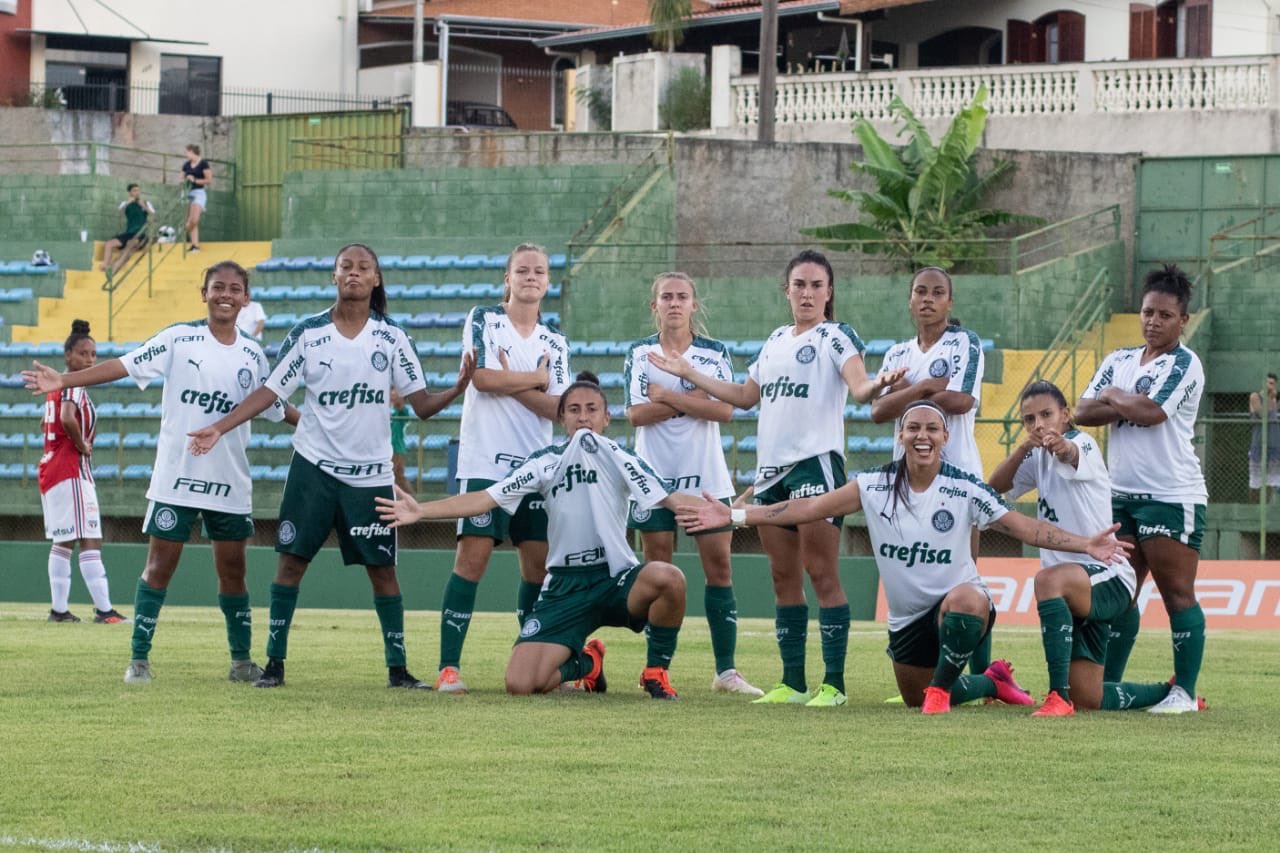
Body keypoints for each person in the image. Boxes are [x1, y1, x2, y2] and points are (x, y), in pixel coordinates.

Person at [678, 400, 1129, 714]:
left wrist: (1084, 543)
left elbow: (1023, 526)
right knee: (915, 696)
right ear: (901, 436)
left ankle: (940, 689)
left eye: (931, 428)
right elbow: (807, 508)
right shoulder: (873, 486)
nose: (922, 436)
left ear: (945, 437)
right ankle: (992, 681)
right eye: (913, 428)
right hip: (907, 621)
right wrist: (734, 514)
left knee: (967, 604)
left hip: (960, 606)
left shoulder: (964, 487)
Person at [188, 243, 473, 689]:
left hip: (371, 477)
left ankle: (398, 670)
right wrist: (220, 428)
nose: (354, 273)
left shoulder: (393, 338)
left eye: (363, 267)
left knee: (383, 571)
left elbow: (420, 406)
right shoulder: (308, 333)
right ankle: (274, 665)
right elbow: (269, 392)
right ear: (334, 277)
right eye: (346, 267)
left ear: (376, 279)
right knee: (290, 565)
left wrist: (457, 388)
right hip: (313, 469)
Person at [649, 249, 906, 707]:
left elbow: (860, 386)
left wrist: (878, 385)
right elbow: (745, 397)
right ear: (786, 290)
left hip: (816, 465)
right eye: (799, 285)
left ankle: (834, 685)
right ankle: (792, 681)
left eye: (816, 285)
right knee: (782, 577)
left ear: (829, 293)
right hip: (770, 472)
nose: (807, 293)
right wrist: (689, 374)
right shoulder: (774, 340)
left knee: (822, 572)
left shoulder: (835, 335)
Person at [25, 262, 298, 682]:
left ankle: (241, 661)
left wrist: (322, 425)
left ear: (246, 299)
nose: (225, 294)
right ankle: (138, 659)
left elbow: (276, 407)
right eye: (217, 287)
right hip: (176, 478)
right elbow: (122, 365)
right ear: (202, 293)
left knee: (234, 571)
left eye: (235, 289)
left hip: (229, 482)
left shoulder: (253, 355)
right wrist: (64, 379)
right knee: (159, 567)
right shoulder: (178, 339)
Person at [377, 372, 692, 699]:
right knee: (521, 684)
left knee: (669, 577)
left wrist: (730, 515)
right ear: (561, 418)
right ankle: (587, 664)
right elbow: (487, 498)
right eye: (573, 409)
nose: (583, 416)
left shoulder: (621, 458)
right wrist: (422, 511)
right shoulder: (544, 463)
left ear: (606, 417)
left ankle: (655, 670)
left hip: (615, 580)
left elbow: (672, 499)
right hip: (564, 588)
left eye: (591, 409)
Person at [989, 381, 1186, 715]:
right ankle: (1166, 692)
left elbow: (1071, 453)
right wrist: (1024, 448)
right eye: (1030, 419)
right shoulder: (1035, 456)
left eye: (1047, 415)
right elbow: (993, 488)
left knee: (1047, 580)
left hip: (1108, 576)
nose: (1039, 425)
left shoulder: (1084, 443)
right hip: (1077, 590)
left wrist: (1061, 445)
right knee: (1089, 699)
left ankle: (1056, 697)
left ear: (1066, 415)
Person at [435, 242, 570, 694]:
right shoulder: (484, 319)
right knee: (472, 560)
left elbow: (560, 409)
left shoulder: (556, 342)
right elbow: (481, 378)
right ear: (507, 279)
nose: (531, 277)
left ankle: (528, 659)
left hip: (537, 468)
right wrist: (535, 378)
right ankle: (448, 668)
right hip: (485, 462)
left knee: (536, 568)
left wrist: (515, 382)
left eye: (539, 271)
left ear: (548, 282)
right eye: (522, 270)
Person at [1076, 263, 1207, 714]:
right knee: (1120, 594)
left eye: (1165, 315)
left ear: (1182, 320)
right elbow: (1080, 412)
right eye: (1148, 312)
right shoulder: (1119, 360)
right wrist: (1119, 399)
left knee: (1176, 594)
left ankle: (1184, 693)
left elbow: (1151, 413)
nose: (1153, 321)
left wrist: (1113, 397)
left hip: (1172, 495)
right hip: (1120, 495)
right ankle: (1105, 686)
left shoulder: (1186, 364)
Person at [623, 271, 761, 697]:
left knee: (718, 569)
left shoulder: (714, 353)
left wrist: (667, 396)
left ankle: (726, 672)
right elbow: (634, 415)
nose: (675, 303)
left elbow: (724, 412)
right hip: (653, 480)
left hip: (706, 477)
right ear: (655, 305)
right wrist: (694, 403)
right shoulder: (639, 353)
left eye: (682, 296)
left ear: (694, 305)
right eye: (667, 296)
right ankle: (657, 669)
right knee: (660, 572)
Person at [870, 267, 993, 684]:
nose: (928, 299)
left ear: (949, 302)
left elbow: (960, 400)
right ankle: (926, 671)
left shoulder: (964, 343)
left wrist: (907, 395)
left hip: (957, 476)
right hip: (906, 484)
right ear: (909, 299)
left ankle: (985, 676)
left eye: (937, 292)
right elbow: (877, 411)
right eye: (920, 291)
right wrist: (923, 389)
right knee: (912, 573)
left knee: (966, 579)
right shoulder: (896, 355)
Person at [36, 320, 129, 624]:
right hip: (70, 469)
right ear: (68, 356)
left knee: (63, 541)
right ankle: (104, 611)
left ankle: (59, 610)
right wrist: (82, 444)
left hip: (53, 468)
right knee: (90, 538)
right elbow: (67, 417)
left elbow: (45, 424)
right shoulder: (73, 382)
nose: (89, 360)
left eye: (93, 354)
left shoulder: (55, 388)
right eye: (83, 354)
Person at [102, 183, 155, 275]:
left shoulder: (146, 202)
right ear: (129, 193)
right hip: (129, 233)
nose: (137, 192)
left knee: (130, 244)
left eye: (138, 190)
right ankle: (105, 265)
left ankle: (115, 268)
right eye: (134, 190)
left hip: (140, 234)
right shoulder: (125, 203)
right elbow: (119, 214)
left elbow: (153, 215)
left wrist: (144, 206)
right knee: (108, 244)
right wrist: (128, 203)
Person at [1248, 372, 1279, 503]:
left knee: (1271, 481)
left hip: (1274, 445)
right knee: (1256, 482)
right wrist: (1270, 398)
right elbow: (1263, 414)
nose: (1270, 386)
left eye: (1272, 383)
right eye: (1268, 382)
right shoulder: (1255, 397)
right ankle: (1252, 509)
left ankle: (1266, 507)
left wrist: (1273, 399)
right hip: (1258, 444)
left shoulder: (1276, 400)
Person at [181, 144, 212, 253]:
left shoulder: (203, 163)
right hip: (188, 192)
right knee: (191, 219)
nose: (186, 155)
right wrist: (185, 180)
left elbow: (208, 180)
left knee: (194, 219)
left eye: (187, 152)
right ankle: (195, 245)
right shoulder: (186, 165)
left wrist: (194, 180)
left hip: (198, 192)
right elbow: (181, 178)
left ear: (192, 152)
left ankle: (184, 230)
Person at [389, 388, 411, 494]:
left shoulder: (402, 411)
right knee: (399, 477)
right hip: (389, 447)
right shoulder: (388, 409)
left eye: (396, 394)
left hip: (396, 447)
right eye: (392, 393)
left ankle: (411, 498)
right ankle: (411, 498)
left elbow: (401, 407)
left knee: (393, 475)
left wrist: (399, 399)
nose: (393, 395)